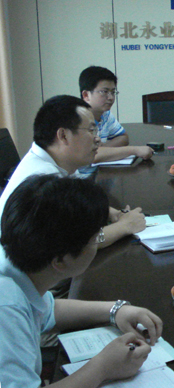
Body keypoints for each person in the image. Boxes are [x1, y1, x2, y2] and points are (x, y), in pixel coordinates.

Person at [0, 174, 163, 388]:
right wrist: (103, 367)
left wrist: (116, 310)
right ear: (60, 260)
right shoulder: (6, 307)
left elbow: (47, 311)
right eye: (96, 239)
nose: (97, 244)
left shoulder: (17, 271)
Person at [0, 95, 146, 249]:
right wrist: (125, 226)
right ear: (63, 135)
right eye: (91, 130)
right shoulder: (44, 180)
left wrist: (113, 213)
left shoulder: (58, 160)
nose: (98, 139)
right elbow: (80, 244)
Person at [79, 66, 154, 165]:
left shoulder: (105, 114)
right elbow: (90, 155)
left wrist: (103, 149)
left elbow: (123, 138)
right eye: (104, 92)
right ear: (86, 95)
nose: (111, 97)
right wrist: (134, 150)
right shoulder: (78, 118)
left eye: (113, 92)